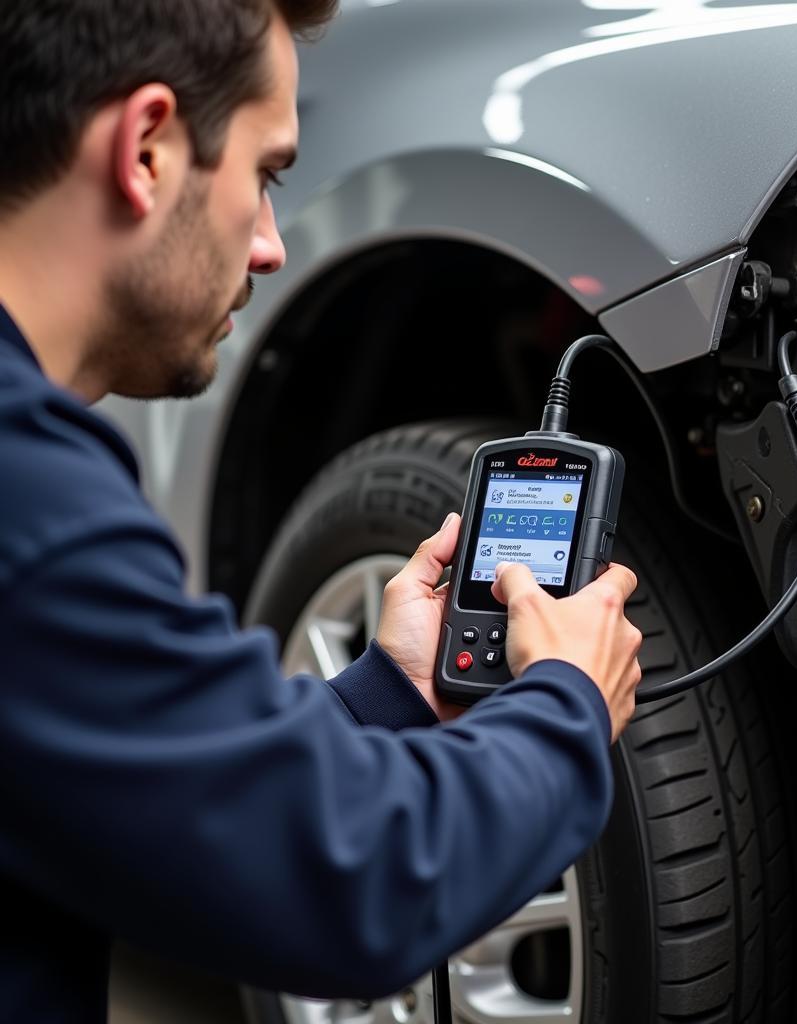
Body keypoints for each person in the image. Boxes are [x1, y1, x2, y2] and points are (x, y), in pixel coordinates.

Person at [0, 2, 644, 1020]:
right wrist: (566, 701)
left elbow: (155, 781)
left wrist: (386, 693)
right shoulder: (32, 502)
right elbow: (349, 884)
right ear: (148, 148)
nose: (267, 245)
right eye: (265, 176)